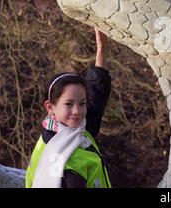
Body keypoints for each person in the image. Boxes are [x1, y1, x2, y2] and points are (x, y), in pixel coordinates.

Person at [25, 27, 112, 188]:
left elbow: (97, 94)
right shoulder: (64, 166)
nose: (77, 111)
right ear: (50, 107)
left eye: (82, 103)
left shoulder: (72, 132)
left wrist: (102, 50)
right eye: (68, 104)